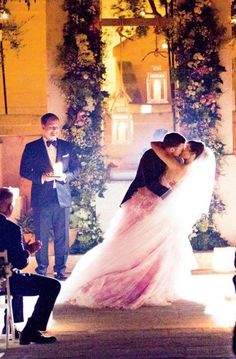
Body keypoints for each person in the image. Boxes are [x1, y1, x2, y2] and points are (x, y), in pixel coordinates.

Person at [58, 136, 215, 309]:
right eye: (180, 147)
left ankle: (149, 284)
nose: (181, 150)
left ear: (191, 154)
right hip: (148, 204)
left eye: (185, 148)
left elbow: (156, 152)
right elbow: (149, 176)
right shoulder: (165, 158)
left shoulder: (179, 165)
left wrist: (161, 200)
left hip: (157, 207)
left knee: (153, 247)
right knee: (136, 243)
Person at [20, 113, 80, 280]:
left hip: (62, 197)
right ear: (43, 127)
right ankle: (41, 269)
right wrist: (41, 177)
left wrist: (65, 177)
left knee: (62, 236)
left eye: (57, 127)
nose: (55, 130)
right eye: (51, 127)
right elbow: (23, 171)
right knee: (42, 236)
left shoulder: (67, 147)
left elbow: (77, 169)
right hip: (42, 198)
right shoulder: (31, 147)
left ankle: (60, 271)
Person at [0, 187, 61, 345]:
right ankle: (31, 330)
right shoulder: (12, 229)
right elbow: (20, 262)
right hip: (4, 281)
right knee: (52, 286)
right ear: (9, 207)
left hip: (5, 278)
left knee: (13, 275)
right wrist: (28, 251)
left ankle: (9, 326)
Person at [121, 132, 186, 205]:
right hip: (141, 197)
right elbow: (150, 182)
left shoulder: (177, 159)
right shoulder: (150, 156)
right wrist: (169, 195)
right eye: (181, 149)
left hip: (160, 197)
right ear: (172, 150)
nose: (182, 152)